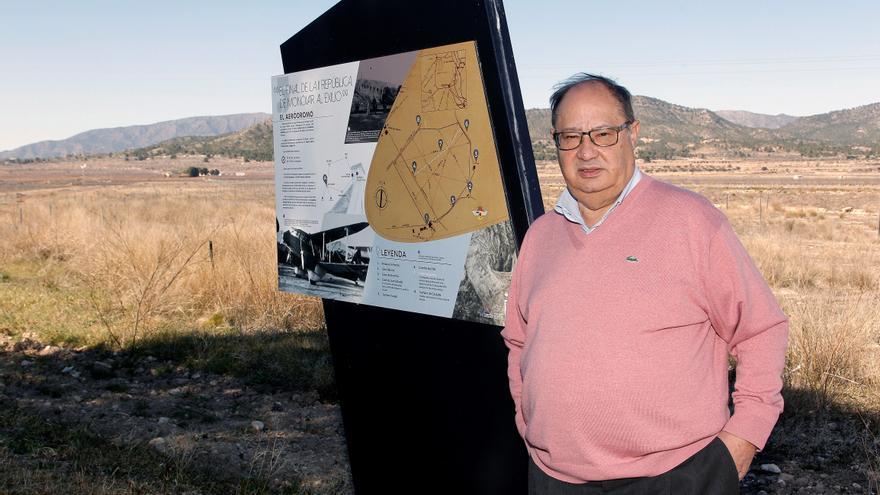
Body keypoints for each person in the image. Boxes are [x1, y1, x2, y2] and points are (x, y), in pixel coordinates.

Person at [502, 73, 789, 494]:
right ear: (555, 142)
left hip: (677, 476)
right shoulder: (540, 236)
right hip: (553, 477)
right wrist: (526, 421)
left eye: (603, 133)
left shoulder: (692, 221)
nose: (586, 151)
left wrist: (744, 436)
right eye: (571, 136)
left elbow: (761, 329)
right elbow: (519, 341)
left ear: (632, 134)